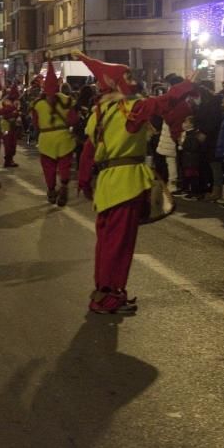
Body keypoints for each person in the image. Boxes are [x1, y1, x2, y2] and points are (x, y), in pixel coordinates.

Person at [76, 52, 197, 314]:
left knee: (106, 243)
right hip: (126, 183)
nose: (133, 80)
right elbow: (165, 101)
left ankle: (105, 291)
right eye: (128, 76)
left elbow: (87, 152)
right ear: (118, 82)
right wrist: (186, 85)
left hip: (106, 184)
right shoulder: (130, 107)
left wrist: (85, 183)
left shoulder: (99, 112)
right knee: (120, 245)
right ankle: (108, 297)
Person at [31, 58, 78, 206]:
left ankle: (51, 190)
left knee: (49, 167)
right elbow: (73, 120)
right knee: (64, 165)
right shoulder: (67, 100)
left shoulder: (37, 104)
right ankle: (63, 186)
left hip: (46, 138)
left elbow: (36, 124)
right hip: (64, 137)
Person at [1, 84, 22, 168]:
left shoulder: (16, 101)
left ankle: (11, 159)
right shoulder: (5, 101)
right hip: (6, 125)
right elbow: (4, 114)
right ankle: (7, 160)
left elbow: (18, 111)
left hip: (14, 125)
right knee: (8, 143)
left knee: (13, 143)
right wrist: (15, 113)